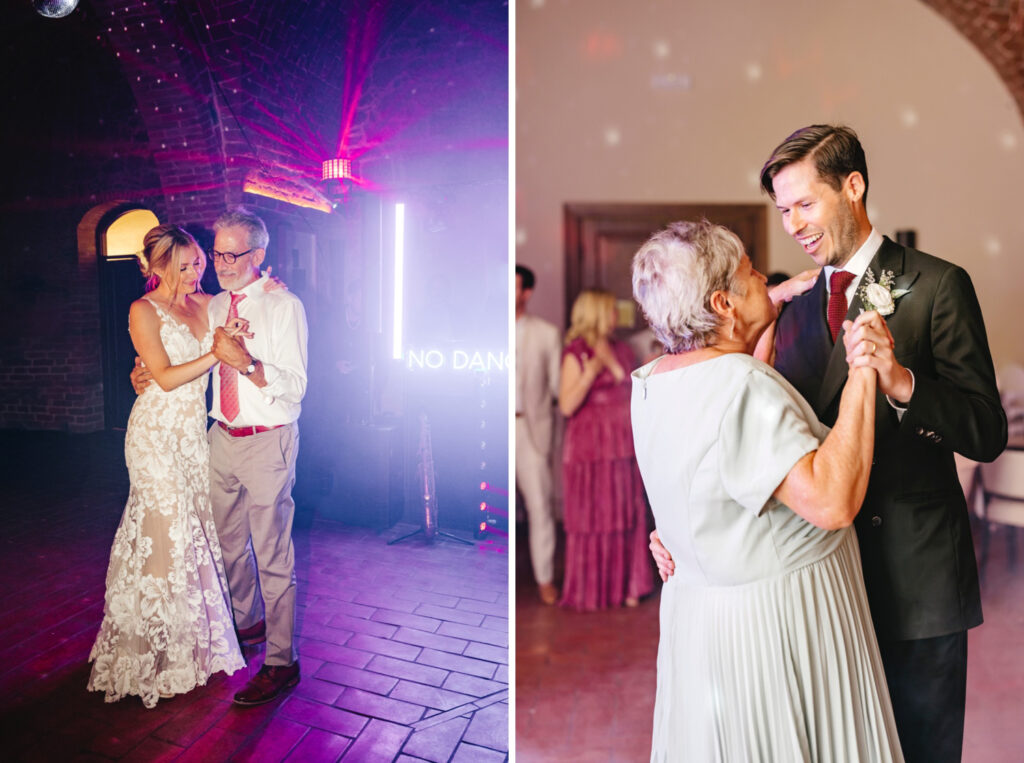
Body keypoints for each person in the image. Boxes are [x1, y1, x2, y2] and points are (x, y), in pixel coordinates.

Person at [651, 125, 1006, 762]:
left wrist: (902, 383)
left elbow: (986, 432)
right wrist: (683, 525)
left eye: (804, 204)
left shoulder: (936, 284)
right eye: (782, 209)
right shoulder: (786, 305)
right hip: (816, 595)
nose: (792, 224)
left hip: (914, 582)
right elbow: (747, 437)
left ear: (853, 186)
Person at [632, 219, 901, 761]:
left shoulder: (655, 378)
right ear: (723, 304)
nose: (763, 280)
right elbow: (831, 500)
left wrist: (764, 315)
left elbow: (733, 441)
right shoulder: (739, 387)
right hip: (779, 623)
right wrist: (863, 372)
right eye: (751, 274)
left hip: (707, 619)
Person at [132, 207, 309, 707]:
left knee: (271, 553)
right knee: (229, 545)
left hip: (267, 438)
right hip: (218, 436)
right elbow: (171, 346)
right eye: (217, 254)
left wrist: (248, 364)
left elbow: (294, 392)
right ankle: (249, 625)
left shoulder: (283, 306)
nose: (221, 263)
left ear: (258, 255)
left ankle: (281, 662)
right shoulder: (211, 306)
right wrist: (140, 372)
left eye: (234, 254)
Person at [88, 224, 245, 708]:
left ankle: (190, 648)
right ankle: (150, 653)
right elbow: (162, 376)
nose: (196, 271)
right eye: (184, 265)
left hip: (192, 437)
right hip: (155, 433)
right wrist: (214, 354)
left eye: (198, 261)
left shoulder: (208, 303)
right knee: (167, 531)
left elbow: (244, 301)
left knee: (193, 537)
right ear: (155, 268)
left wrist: (271, 285)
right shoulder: (143, 309)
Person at [559, 289, 653, 610]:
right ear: (597, 313)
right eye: (611, 310)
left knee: (626, 511)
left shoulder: (624, 350)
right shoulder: (576, 352)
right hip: (589, 448)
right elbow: (567, 405)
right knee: (593, 516)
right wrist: (591, 370)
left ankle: (629, 584)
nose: (617, 316)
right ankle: (594, 590)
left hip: (622, 443)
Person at [515, 265, 562, 605]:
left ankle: (544, 577)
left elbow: (559, 388)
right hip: (493, 428)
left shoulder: (546, 333)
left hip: (531, 429)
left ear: (526, 293)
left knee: (540, 508)